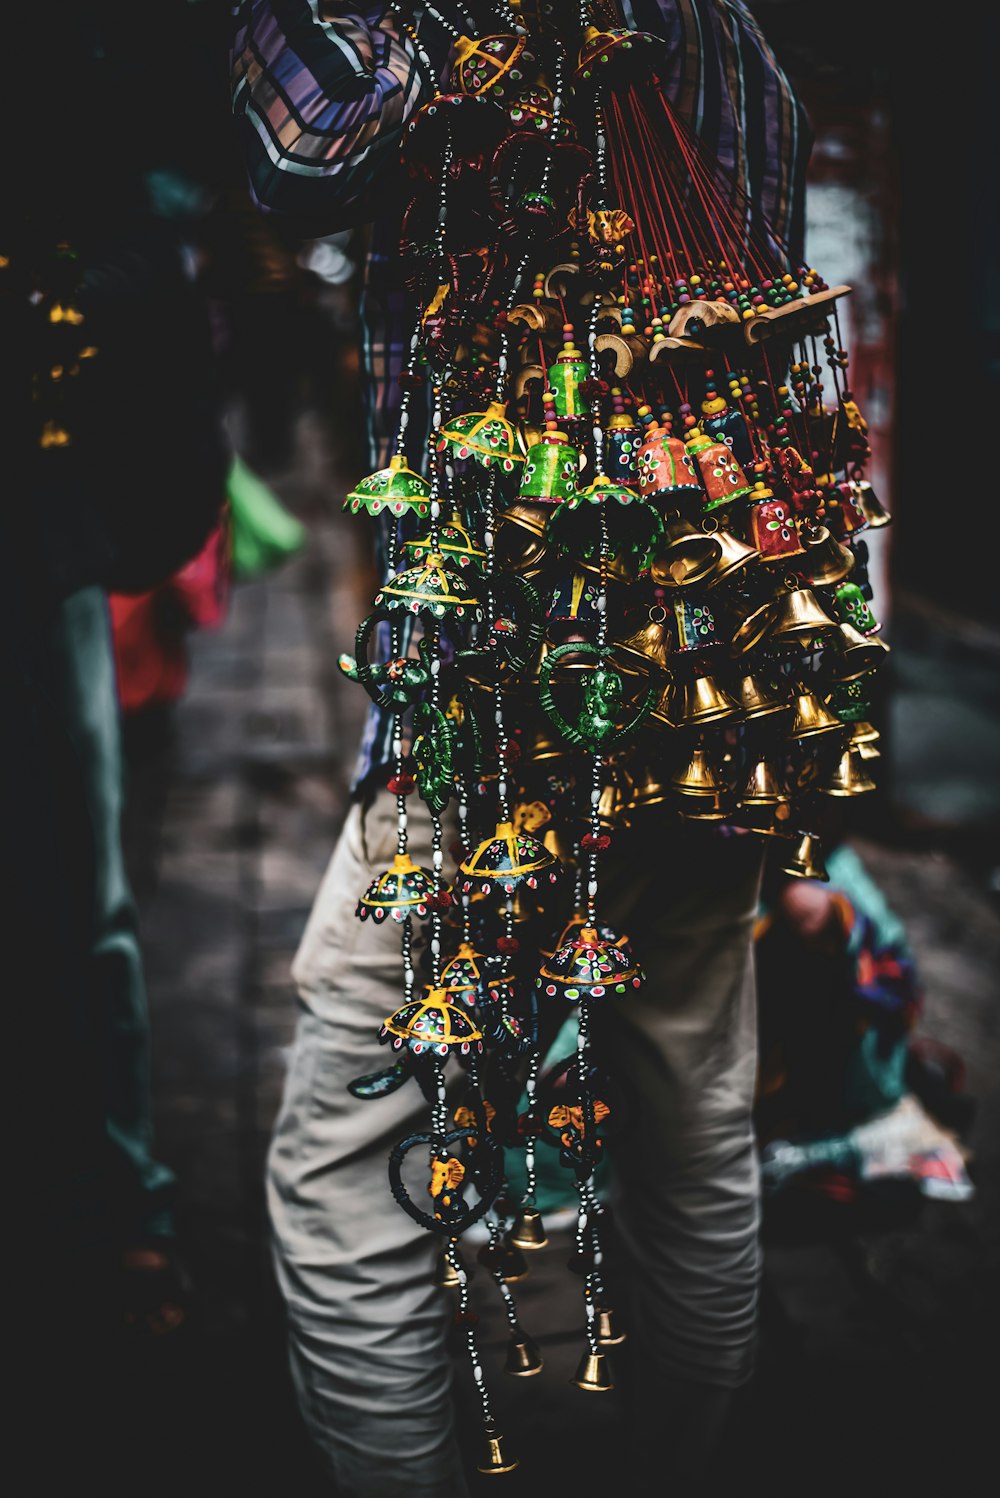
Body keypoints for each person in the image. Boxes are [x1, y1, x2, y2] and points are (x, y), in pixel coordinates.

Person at [229, 3, 811, 1492]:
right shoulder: (730, 42)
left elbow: (308, 135)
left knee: (346, 1151)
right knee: (692, 1100)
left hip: (504, 680)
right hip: (714, 679)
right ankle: (694, 1462)